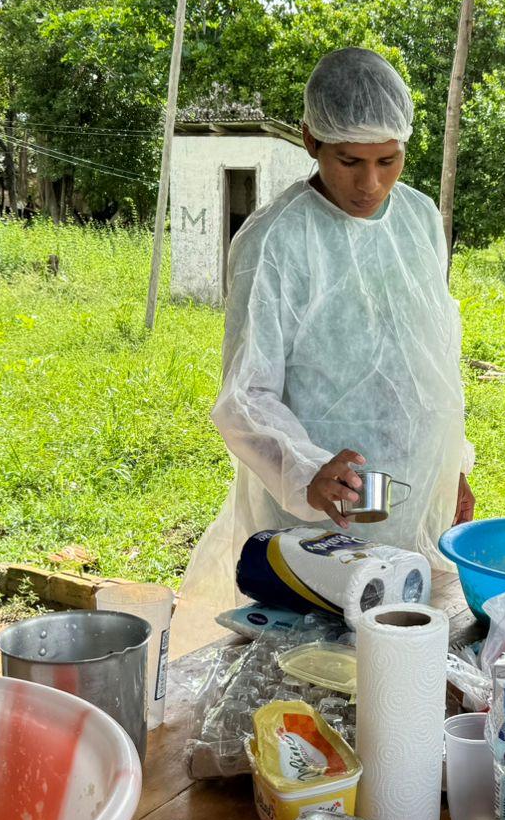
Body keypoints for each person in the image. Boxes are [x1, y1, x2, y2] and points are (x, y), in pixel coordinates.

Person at [179, 48, 474, 616]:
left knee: (402, 652)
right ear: (311, 140)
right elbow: (246, 393)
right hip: (319, 514)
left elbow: (437, 352)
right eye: (349, 161)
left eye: (388, 161)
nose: (371, 183)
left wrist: (452, 468)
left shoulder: (418, 221)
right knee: (312, 665)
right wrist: (308, 468)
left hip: (412, 497)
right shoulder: (274, 241)